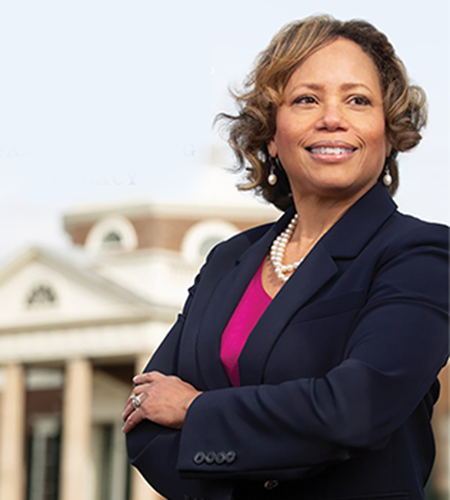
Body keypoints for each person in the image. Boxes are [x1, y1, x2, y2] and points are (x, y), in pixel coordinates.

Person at [123, 15, 449, 500]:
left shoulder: (420, 256)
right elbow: (145, 414)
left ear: (389, 130)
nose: (332, 117)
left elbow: (355, 411)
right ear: (272, 134)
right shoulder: (228, 260)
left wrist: (197, 413)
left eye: (358, 100)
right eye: (305, 99)